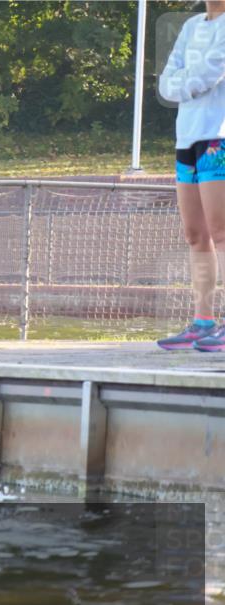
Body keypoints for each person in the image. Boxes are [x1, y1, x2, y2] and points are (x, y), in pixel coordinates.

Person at [156, 1, 225, 352]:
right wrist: (183, 83)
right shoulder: (191, 26)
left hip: (219, 135)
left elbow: (209, 73)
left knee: (221, 230)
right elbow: (168, 79)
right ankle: (203, 321)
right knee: (195, 233)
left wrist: (183, 83)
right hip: (187, 136)